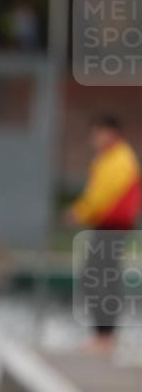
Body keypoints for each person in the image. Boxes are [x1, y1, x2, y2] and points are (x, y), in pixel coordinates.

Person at [65, 114, 141, 354]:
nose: (94, 138)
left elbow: (101, 196)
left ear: (110, 132)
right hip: (107, 226)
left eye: (97, 133)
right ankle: (103, 335)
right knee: (98, 277)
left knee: (101, 278)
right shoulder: (108, 159)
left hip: (113, 227)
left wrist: (78, 212)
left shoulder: (118, 160)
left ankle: (105, 337)